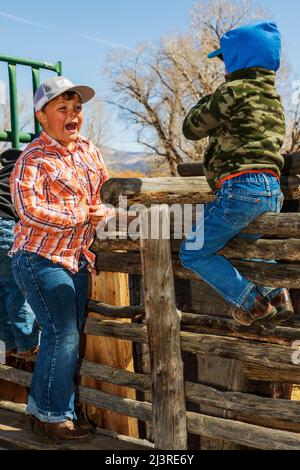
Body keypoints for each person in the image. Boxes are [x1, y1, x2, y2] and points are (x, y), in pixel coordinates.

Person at [9, 76, 113, 440]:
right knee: (62, 332)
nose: (73, 115)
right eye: (63, 109)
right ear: (42, 116)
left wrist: (108, 210)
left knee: (66, 334)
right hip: (39, 256)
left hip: (77, 258)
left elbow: (105, 192)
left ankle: (47, 411)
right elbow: (29, 210)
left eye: (77, 108)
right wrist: (83, 215)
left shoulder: (89, 150)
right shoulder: (32, 158)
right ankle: (53, 416)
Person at [179, 20, 294, 327]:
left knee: (192, 251)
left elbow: (190, 127)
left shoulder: (230, 92)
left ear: (236, 61)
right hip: (271, 191)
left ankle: (252, 303)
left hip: (239, 190)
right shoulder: (274, 100)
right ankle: (277, 294)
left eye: (225, 61)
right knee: (247, 245)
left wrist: (211, 96)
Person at [0, 148, 39, 358]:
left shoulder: (2, 178)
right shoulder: (21, 176)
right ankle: (27, 342)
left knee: (1, 288)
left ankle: (7, 341)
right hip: (4, 227)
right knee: (17, 285)